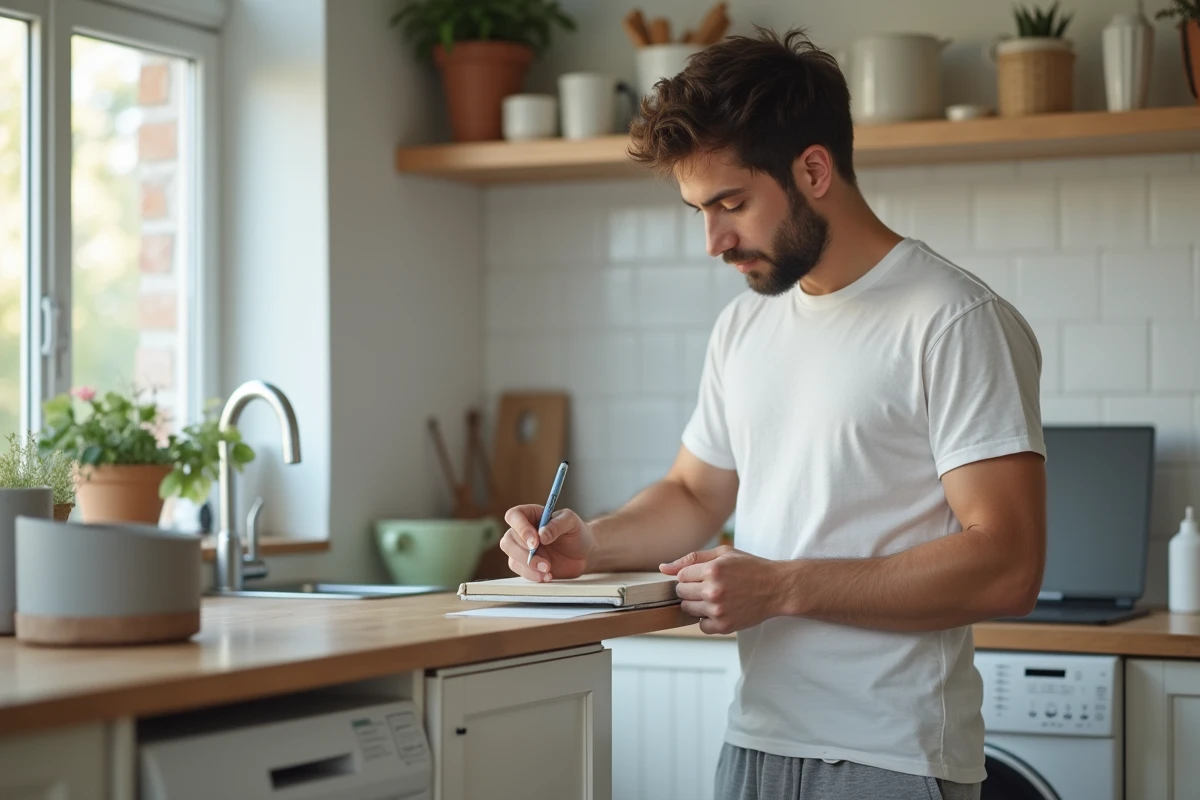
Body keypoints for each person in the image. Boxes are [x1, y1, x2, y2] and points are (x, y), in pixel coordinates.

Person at [498, 27, 1046, 800]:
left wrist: (783, 587)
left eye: (731, 203)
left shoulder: (952, 320)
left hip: (890, 760)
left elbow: (1009, 566)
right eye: (699, 209)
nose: (714, 241)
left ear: (813, 169)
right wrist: (589, 541)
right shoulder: (745, 327)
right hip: (754, 745)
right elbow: (694, 495)